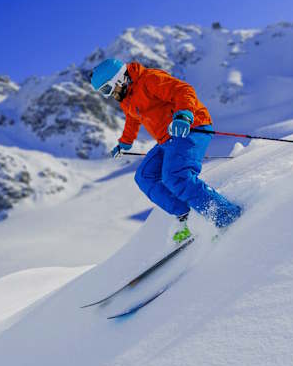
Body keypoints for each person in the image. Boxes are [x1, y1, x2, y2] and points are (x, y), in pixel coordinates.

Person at [90, 58, 242, 242]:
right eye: (103, 93)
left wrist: (184, 114)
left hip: (192, 127)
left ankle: (227, 217)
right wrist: (124, 143)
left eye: (107, 89)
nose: (109, 96)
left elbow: (183, 90)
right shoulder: (126, 98)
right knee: (144, 177)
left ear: (119, 79)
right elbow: (133, 119)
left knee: (176, 176)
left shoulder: (149, 79)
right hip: (167, 139)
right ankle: (187, 216)